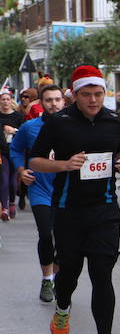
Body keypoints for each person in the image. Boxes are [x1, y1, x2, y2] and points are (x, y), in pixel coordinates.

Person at [29, 65, 120, 334]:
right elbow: (34, 161)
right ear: (73, 94)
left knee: (102, 274)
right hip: (68, 211)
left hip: (105, 210)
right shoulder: (58, 123)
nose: (93, 100)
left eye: (98, 94)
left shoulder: (114, 120)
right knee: (70, 274)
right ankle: (63, 308)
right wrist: (64, 165)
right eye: (86, 94)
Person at [10, 84, 66, 302]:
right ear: (41, 103)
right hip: (40, 189)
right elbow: (15, 149)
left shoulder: (75, 127)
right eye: (49, 100)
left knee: (64, 240)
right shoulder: (30, 127)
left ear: (64, 101)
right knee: (46, 234)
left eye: (57, 99)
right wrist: (22, 170)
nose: (53, 104)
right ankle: (47, 277)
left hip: (67, 191)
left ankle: (60, 278)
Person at [0, 91, 23, 220]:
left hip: (15, 151)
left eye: (7, 99)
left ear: (11, 101)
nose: (5, 101)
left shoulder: (17, 116)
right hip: (2, 152)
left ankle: (12, 202)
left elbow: (23, 132)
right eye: (3, 99)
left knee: (12, 180)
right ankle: (4, 207)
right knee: (3, 178)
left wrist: (14, 131)